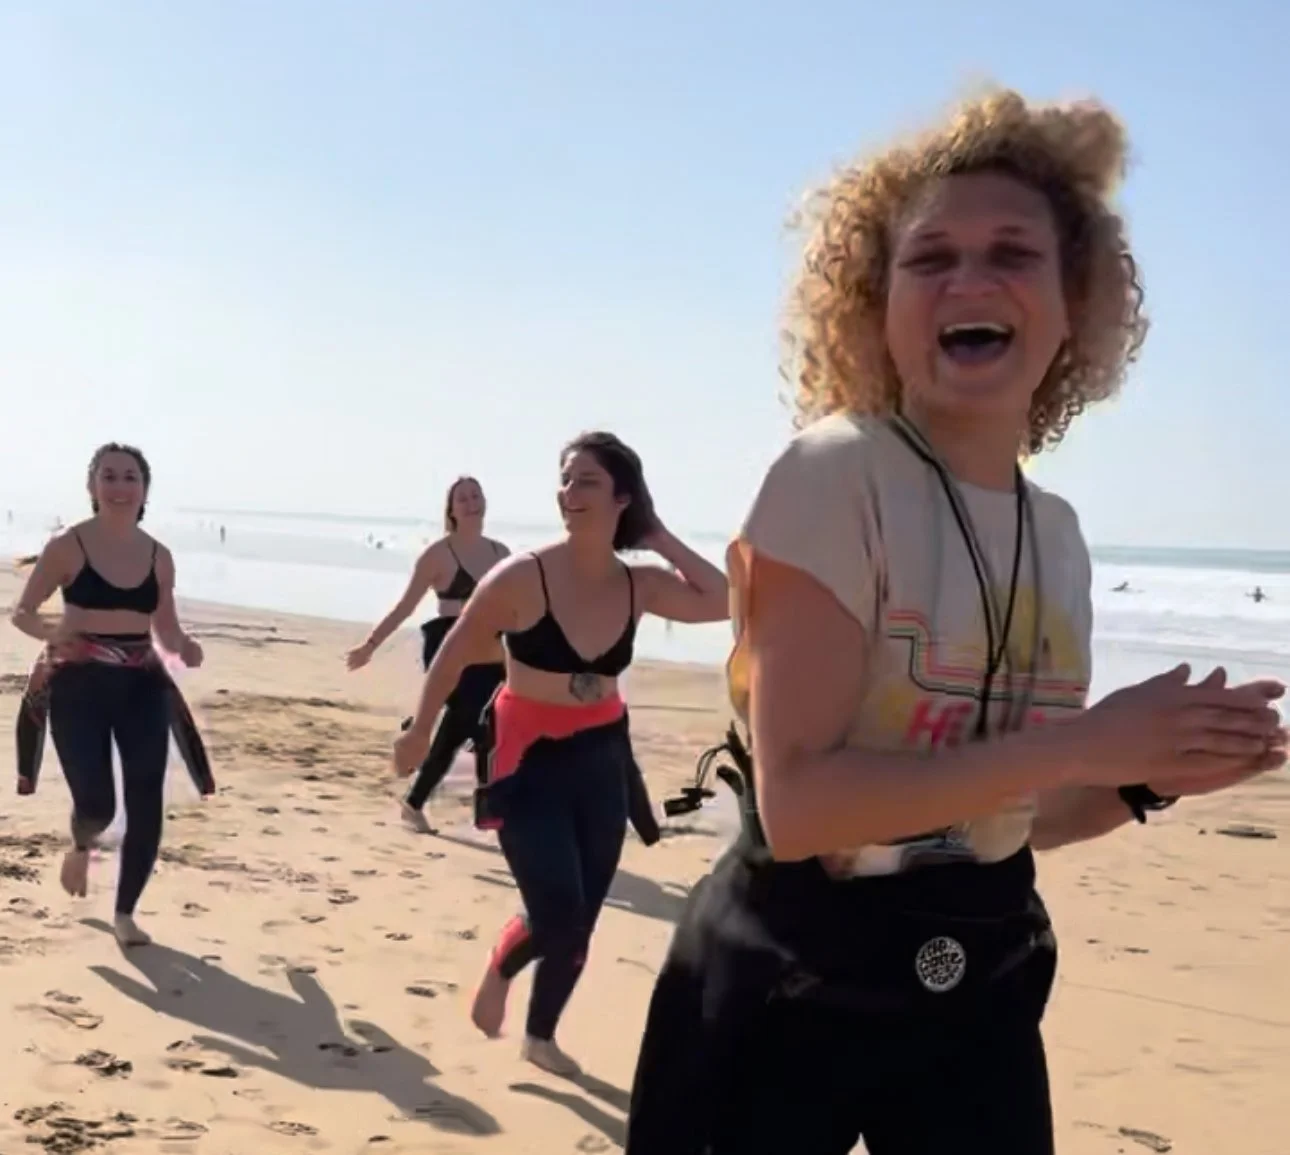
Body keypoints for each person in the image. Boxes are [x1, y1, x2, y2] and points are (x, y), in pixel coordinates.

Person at [623, 89, 1288, 1155]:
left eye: (1012, 254)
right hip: (789, 982)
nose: (969, 281)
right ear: (876, 302)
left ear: (1074, 302)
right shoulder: (835, 479)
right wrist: (1088, 739)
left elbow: (1012, 820)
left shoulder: (1057, 536)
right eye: (929, 259)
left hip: (977, 978)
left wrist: (1145, 775)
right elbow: (800, 810)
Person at [393, 432, 728, 1076]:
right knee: (557, 912)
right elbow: (458, 649)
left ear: (622, 498)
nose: (569, 493)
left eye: (587, 482)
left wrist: (656, 534)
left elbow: (724, 600)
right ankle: (502, 963)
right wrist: (419, 732)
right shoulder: (524, 574)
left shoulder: (639, 583)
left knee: (583, 920)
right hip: (528, 764)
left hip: (603, 761)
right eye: (565, 480)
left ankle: (539, 1037)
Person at [9, 443, 206, 948]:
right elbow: (23, 612)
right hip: (79, 683)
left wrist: (185, 646)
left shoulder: (159, 557)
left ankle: (125, 913)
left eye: (131, 478)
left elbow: (166, 627)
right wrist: (54, 634)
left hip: (141, 683)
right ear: (93, 487)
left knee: (145, 802)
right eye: (110, 477)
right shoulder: (68, 546)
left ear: (145, 490)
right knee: (96, 802)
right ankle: (82, 843)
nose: (121, 487)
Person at [347, 476, 510, 832]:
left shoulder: (501, 555)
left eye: (475, 495)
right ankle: (487, 807)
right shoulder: (439, 554)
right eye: (462, 498)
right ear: (451, 510)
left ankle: (415, 799)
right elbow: (406, 606)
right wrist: (370, 646)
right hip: (450, 649)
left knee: (471, 729)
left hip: (493, 652)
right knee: (473, 723)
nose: (470, 502)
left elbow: (520, 610)